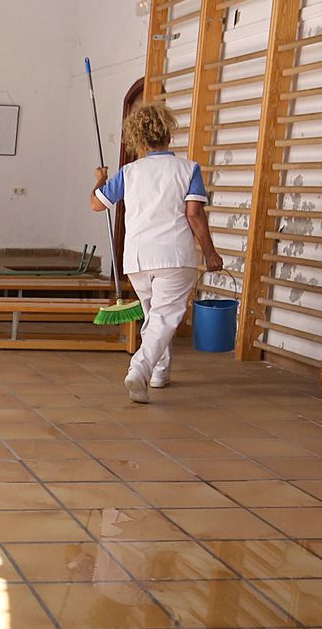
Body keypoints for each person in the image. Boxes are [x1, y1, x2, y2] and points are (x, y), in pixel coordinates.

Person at [90, 101, 225, 404]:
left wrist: (101, 179)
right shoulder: (188, 169)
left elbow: (97, 203)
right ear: (169, 135)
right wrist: (210, 253)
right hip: (174, 256)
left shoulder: (129, 172)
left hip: (137, 258)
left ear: (138, 139)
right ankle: (139, 369)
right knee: (163, 319)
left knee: (156, 317)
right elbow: (194, 214)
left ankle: (160, 372)